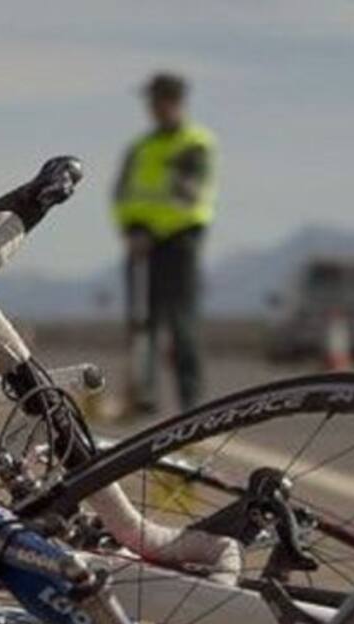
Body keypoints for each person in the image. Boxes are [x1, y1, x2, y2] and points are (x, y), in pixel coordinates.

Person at [113, 72, 217, 413]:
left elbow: (188, 195)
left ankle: (191, 401)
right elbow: (122, 194)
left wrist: (151, 231)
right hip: (140, 243)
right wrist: (131, 229)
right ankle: (144, 396)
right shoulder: (140, 147)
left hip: (179, 241)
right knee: (142, 322)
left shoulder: (195, 144)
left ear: (174, 102)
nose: (153, 108)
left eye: (159, 101)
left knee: (180, 322)